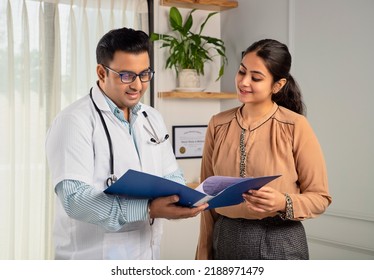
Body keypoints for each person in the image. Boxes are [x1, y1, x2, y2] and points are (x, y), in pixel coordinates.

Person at [45, 27, 207, 260]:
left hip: (146, 256)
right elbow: (75, 200)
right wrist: (148, 209)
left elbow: (172, 176)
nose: (138, 85)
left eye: (144, 74)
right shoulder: (74, 121)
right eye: (126, 76)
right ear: (102, 72)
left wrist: (181, 200)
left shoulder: (151, 118)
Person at [196, 39, 332, 260]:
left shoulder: (295, 126)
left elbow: (320, 198)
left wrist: (283, 202)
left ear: (277, 85)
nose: (244, 82)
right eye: (241, 72)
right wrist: (203, 256)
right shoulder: (218, 124)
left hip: (280, 242)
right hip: (225, 239)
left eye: (256, 78)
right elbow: (206, 199)